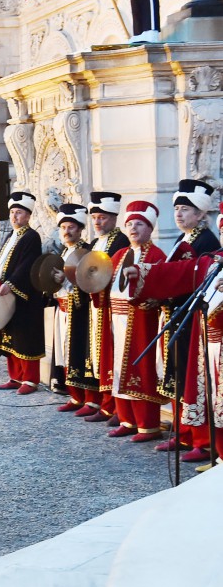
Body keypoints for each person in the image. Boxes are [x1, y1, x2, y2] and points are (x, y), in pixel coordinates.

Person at [106, 201, 169, 441]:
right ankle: (126, 419)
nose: (133, 228)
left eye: (139, 224)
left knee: (141, 370)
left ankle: (147, 424)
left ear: (150, 228)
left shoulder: (157, 255)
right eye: (130, 223)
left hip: (141, 321)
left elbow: (163, 287)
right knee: (119, 370)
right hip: (117, 320)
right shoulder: (120, 254)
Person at [158, 179, 218, 428]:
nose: (179, 214)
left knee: (194, 376)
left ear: (201, 213)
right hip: (178, 315)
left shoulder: (207, 242)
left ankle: (199, 437)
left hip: (194, 319)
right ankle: (183, 432)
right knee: (178, 372)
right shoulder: (182, 240)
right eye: (176, 209)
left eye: (185, 209)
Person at [79, 192, 131, 425]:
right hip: (96, 306)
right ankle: (104, 402)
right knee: (99, 355)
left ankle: (113, 406)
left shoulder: (120, 242)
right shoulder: (94, 243)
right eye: (95, 218)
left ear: (114, 218)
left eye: (102, 217)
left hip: (112, 308)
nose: (98, 222)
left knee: (112, 355)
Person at [0, 192, 45, 394]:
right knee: (10, 335)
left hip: (24, 295)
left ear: (28, 215)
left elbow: (26, 265)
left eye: (19, 213)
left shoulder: (32, 236)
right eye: (12, 212)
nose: (14, 217)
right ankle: (15, 376)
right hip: (7, 292)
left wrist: (11, 283)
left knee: (25, 336)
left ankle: (30, 380)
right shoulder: (10, 235)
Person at [49, 204, 99, 412]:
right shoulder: (62, 252)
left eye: (71, 227)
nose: (67, 231)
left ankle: (90, 399)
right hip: (62, 309)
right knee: (64, 354)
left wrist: (66, 280)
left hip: (80, 310)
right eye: (64, 228)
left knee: (81, 353)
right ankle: (75, 396)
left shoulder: (86, 252)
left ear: (80, 230)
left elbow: (89, 282)